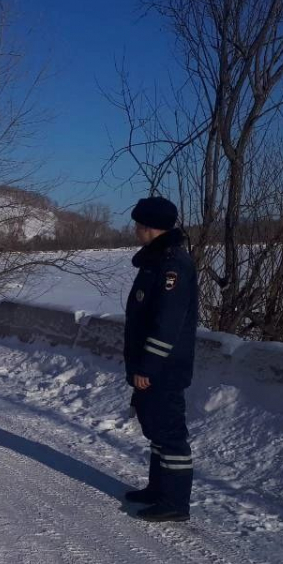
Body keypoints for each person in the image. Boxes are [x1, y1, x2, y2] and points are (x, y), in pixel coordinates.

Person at [123, 196, 198, 522]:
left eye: (138, 225)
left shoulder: (173, 265)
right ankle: (158, 489)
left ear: (148, 227)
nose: (135, 230)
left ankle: (175, 503)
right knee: (155, 429)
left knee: (169, 434)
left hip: (163, 368)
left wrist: (148, 367)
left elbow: (167, 324)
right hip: (153, 367)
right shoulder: (157, 261)